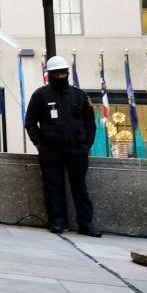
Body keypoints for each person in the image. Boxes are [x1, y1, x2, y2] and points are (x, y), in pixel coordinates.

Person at [24, 55, 101, 238]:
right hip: (51, 150)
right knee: (53, 186)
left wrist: (86, 143)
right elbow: (30, 122)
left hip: (77, 150)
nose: (60, 76)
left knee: (80, 187)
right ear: (49, 75)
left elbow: (90, 123)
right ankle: (57, 222)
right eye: (56, 73)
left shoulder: (79, 96)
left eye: (63, 73)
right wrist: (40, 144)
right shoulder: (41, 95)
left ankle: (85, 223)